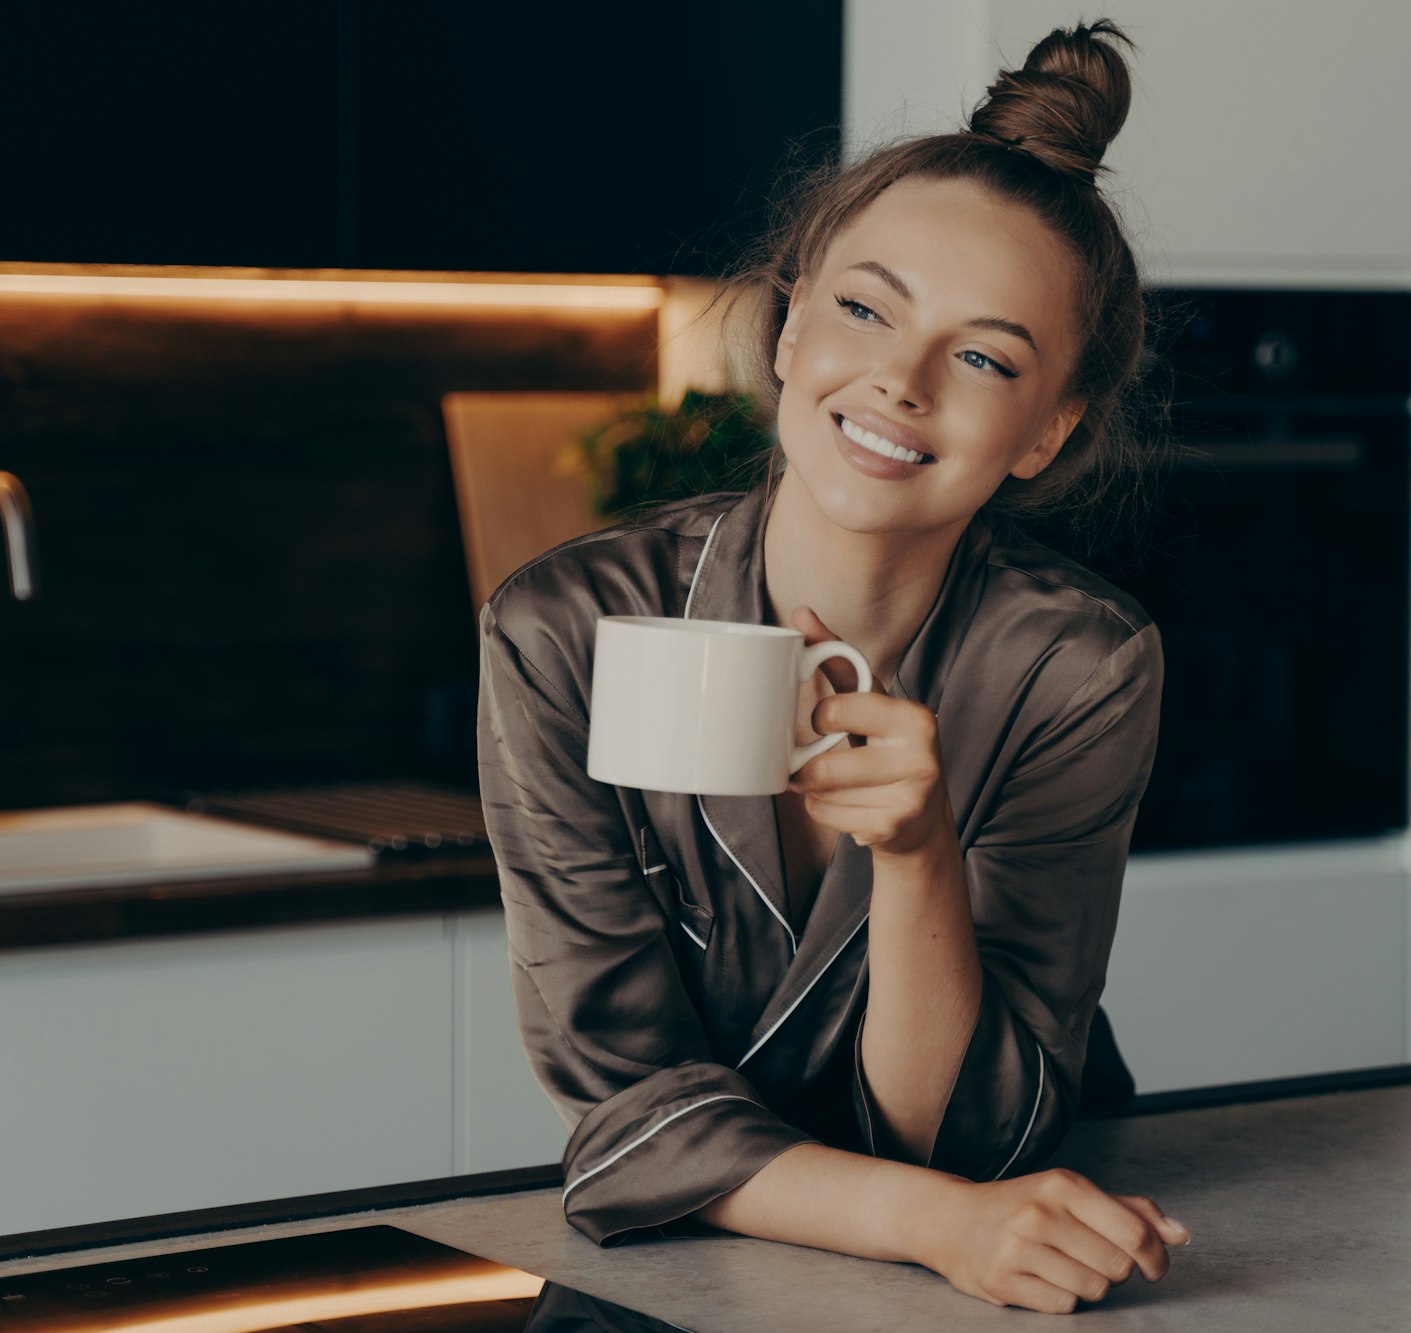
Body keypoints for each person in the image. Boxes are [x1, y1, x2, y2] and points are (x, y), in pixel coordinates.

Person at [476, 18, 1191, 1317]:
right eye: (864, 308)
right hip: (714, 1276)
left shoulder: (1077, 666)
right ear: (793, 324)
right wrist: (936, 1227)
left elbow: (977, 1139)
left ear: (1047, 430)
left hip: (1009, 1254)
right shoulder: (562, 630)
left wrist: (920, 855)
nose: (900, 380)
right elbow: (626, 1101)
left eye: (984, 356)